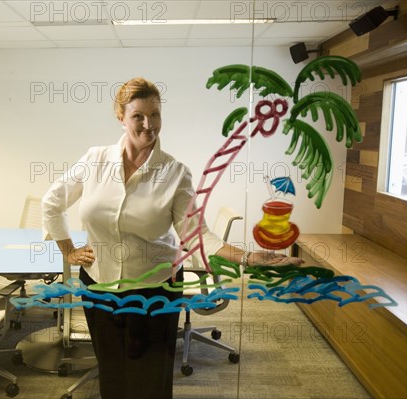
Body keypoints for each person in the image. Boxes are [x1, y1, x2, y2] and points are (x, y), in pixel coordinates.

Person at [42, 77, 303, 399]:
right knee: (111, 371)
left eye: (155, 115)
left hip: (156, 290)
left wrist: (248, 257)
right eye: (138, 115)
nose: (148, 124)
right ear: (121, 117)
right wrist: (67, 249)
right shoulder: (95, 160)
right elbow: (51, 203)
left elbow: (197, 235)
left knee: (151, 377)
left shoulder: (175, 173)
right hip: (99, 285)